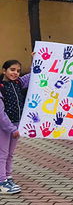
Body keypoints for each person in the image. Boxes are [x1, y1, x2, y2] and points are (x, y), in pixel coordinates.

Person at [0, 60, 31, 194]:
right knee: (2, 154)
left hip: (16, 124)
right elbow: (0, 113)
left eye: (18, 71)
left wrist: (38, 58)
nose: (15, 73)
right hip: (4, 127)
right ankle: (1, 182)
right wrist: (11, 129)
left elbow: (33, 74)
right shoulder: (1, 86)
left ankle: (8, 177)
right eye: (12, 70)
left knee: (10, 154)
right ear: (4, 71)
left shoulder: (18, 83)